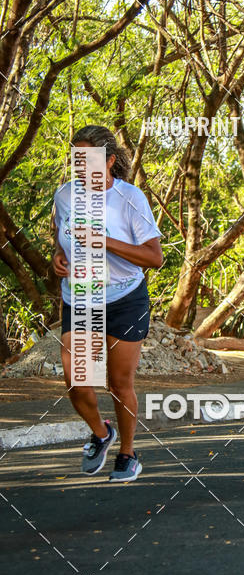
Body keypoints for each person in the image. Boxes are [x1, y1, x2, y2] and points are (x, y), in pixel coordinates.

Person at [52, 125, 163, 482]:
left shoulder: (131, 199)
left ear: (110, 161)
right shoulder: (65, 196)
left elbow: (154, 257)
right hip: (80, 298)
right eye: (76, 161)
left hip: (124, 299)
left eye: (89, 161)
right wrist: (57, 258)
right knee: (77, 381)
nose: (81, 168)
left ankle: (128, 453)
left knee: (118, 382)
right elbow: (61, 238)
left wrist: (105, 241)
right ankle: (102, 434)